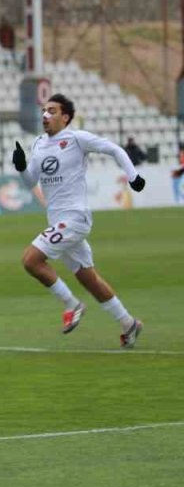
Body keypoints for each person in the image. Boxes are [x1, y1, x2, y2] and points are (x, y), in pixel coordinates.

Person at [12, 94, 146, 348]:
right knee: (89, 279)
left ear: (66, 117)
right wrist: (21, 168)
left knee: (31, 260)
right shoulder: (39, 144)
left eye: (52, 111)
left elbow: (114, 149)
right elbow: (31, 182)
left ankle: (72, 305)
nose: (45, 116)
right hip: (58, 221)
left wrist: (133, 175)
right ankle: (129, 324)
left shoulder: (77, 139)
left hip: (75, 218)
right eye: (44, 111)